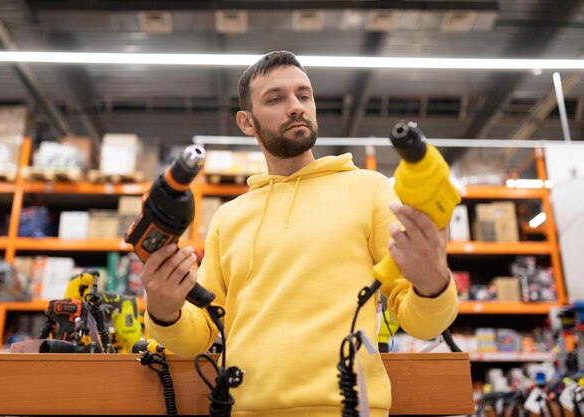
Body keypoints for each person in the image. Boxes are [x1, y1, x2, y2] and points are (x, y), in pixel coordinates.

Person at [142, 51, 458, 417]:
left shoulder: (368, 189)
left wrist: (434, 284)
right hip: (245, 409)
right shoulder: (228, 218)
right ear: (247, 122)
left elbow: (423, 322)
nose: (295, 107)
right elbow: (203, 331)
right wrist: (164, 312)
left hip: (347, 409)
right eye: (275, 99)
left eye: (303, 95)